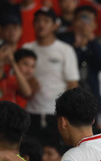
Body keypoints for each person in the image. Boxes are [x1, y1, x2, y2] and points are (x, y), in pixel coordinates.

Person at [23, 7, 79, 138]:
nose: (41, 24)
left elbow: (72, 84)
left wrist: (65, 114)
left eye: (46, 21)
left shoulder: (65, 50)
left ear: (55, 25)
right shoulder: (27, 48)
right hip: (29, 111)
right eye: (38, 21)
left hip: (55, 115)